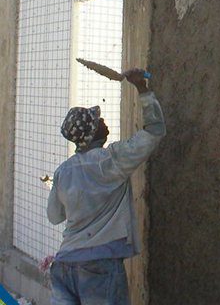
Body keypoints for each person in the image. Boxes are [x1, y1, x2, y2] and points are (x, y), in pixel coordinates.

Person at [46, 69, 164, 305]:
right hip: (99, 266)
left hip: (64, 266)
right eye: (98, 121)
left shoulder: (63, 172)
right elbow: (154, 131)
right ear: (91, 134)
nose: (103, 121)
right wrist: (142, 88)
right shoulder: (112, 160)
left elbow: (54, 216)